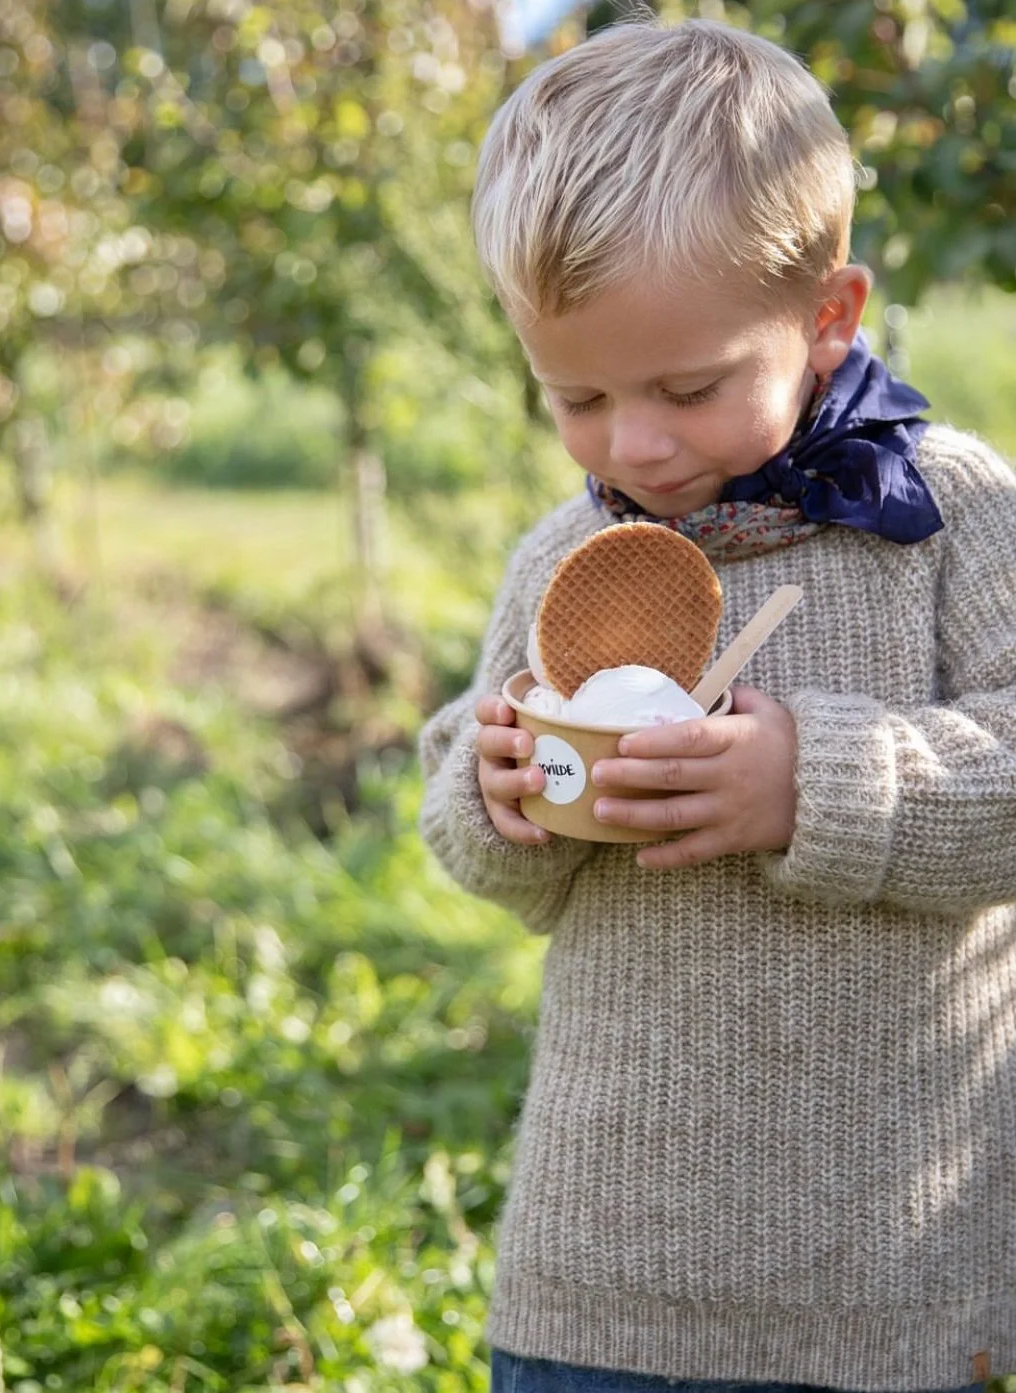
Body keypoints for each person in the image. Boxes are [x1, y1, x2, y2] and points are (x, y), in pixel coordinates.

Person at [416, 15, 1016, 1393]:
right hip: (604, 1277)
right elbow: (468, 820)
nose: (633, 443)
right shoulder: (565, 557)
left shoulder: (951, 522)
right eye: (575, 395)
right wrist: (501, 794)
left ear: (828, 319)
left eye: (689, 388)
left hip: (897, 1277)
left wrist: (819, 781)